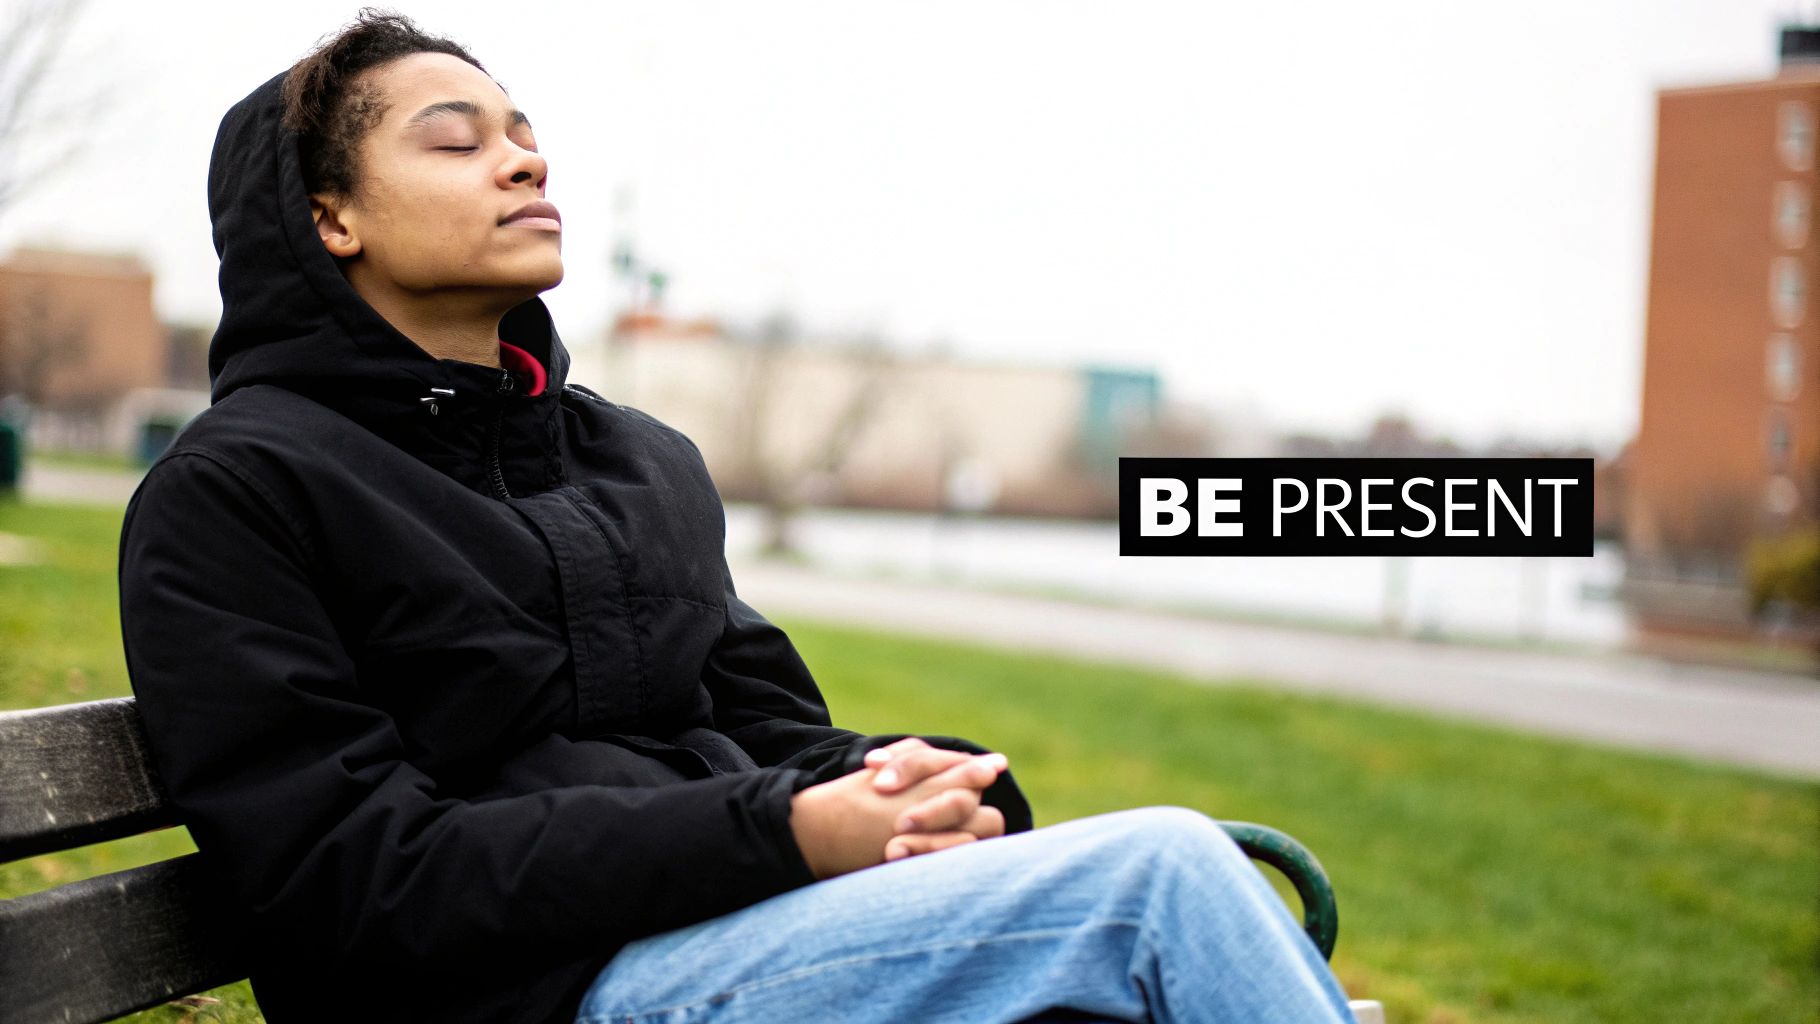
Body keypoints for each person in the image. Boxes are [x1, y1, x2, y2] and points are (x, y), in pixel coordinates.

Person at [115, 10, 1359, 1023]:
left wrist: (906, 785)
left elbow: (770, 729)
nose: (524, 161)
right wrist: (780, 831)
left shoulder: (632, 460)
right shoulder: (238, 491)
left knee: (1156, 917)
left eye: (525, 136)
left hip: (725, 936)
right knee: (1155, 888)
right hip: (527, 998)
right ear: (329, 218)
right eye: (456, 143)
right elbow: (350, 880)